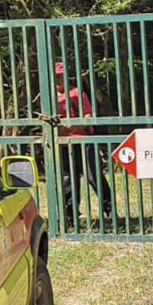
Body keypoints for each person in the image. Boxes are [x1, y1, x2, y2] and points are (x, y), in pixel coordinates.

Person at [43, 61, 111, 227]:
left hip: (83, 142)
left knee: (94, 177)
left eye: (62, 76)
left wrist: (74, 125)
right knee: (68, 181)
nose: (60, 80)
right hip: (63, 144)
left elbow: (89, 116)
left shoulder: (76, 93)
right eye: (57, 77)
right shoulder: (49, 97)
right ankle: (70, 216)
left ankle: (109, 212)